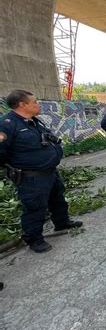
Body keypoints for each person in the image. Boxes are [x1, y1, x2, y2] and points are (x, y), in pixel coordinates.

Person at [0, 90, 82, 253]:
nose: (38, 105)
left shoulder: (34, 121)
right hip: (31, 176)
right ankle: (34, 239)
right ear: (23, 104)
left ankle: (61, 222)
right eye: (35, 102)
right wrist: (12, 168)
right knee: (35, 207)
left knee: (57, 198)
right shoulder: (7, 124)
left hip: (49, 171)